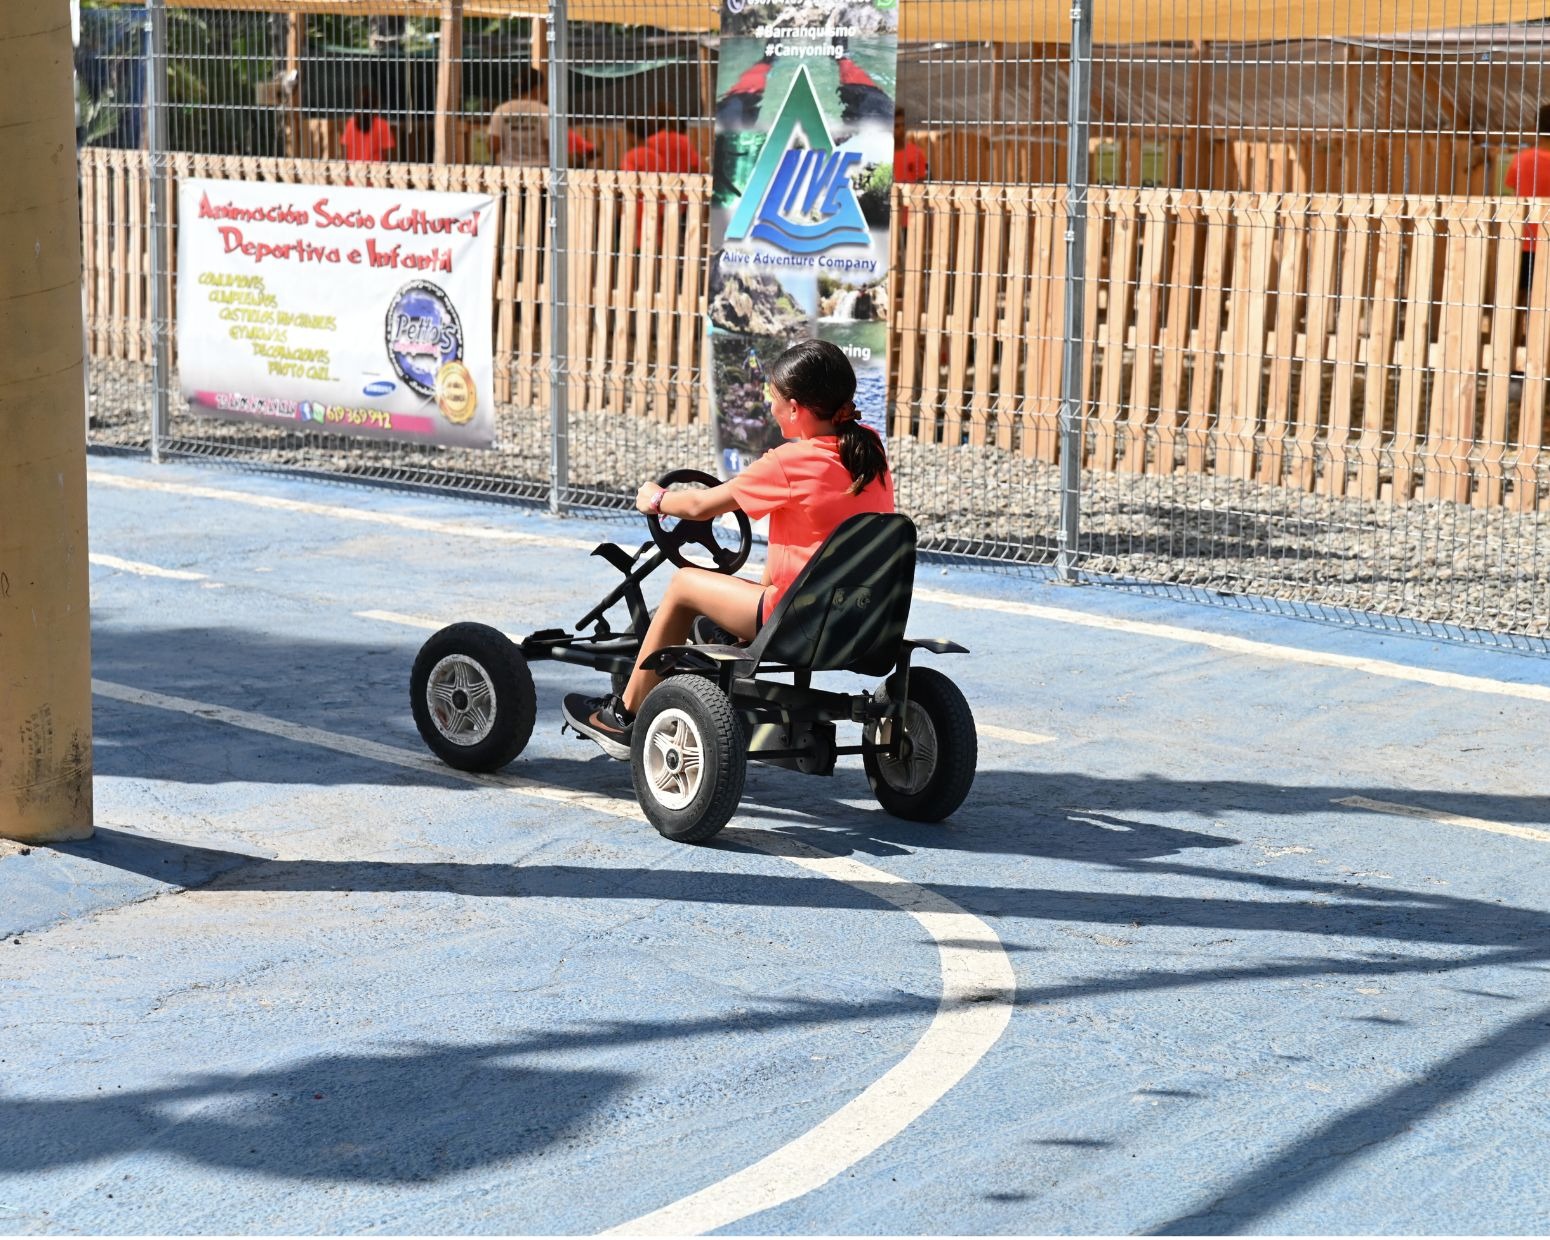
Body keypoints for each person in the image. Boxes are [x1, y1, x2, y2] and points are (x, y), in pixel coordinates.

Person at [563, 340, 895, 758]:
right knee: (744, 593)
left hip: (800, 624)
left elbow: (701, 506)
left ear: (795, 409)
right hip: (862, 619)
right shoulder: (869, 449)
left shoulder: (789, 463)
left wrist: (656, 498)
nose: (770, 407)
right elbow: (793, 546)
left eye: (773, 398)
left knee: (685, 583)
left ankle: (622, 716)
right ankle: (723, 633)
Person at [621, 108, 704, 243]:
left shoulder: (649, 143)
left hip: (653, 201)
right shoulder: (684, 141)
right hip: (680, 198)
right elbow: (696, 168)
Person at [1506, 103, 1550, 303]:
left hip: (1524, 238)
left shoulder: (1521, 160)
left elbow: (1513, 193)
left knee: (1518, 296)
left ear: (1536, 128)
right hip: (1547, 238)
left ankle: (1514, 325)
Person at [488, 68, 549, 168]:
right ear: (537, 88)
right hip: (540, 170)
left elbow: (493, 146)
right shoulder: (545, 112)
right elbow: (551, 147)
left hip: (510, 170)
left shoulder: (501, 110)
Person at [341, 88, 395, 163]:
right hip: (376, 169)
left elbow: (344, 150)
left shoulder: (351, 123)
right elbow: (388, 155)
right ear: (376, 105)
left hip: (354, 168)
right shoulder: (382, 125)